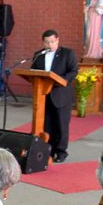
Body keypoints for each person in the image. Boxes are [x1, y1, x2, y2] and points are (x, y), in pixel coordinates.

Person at [31, 29, 78, 163]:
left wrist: (60, 81)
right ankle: (47, 149)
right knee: (46, 125)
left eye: (52, 41)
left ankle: (61, 151)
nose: (49, 45)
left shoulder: (67, 53)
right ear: (43, 42)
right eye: (47, 42)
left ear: (57, 40)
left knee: (61, 125)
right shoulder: (38, 55)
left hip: (61, 94)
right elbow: (33, 72)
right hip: (43, 96)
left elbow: (73, 71)